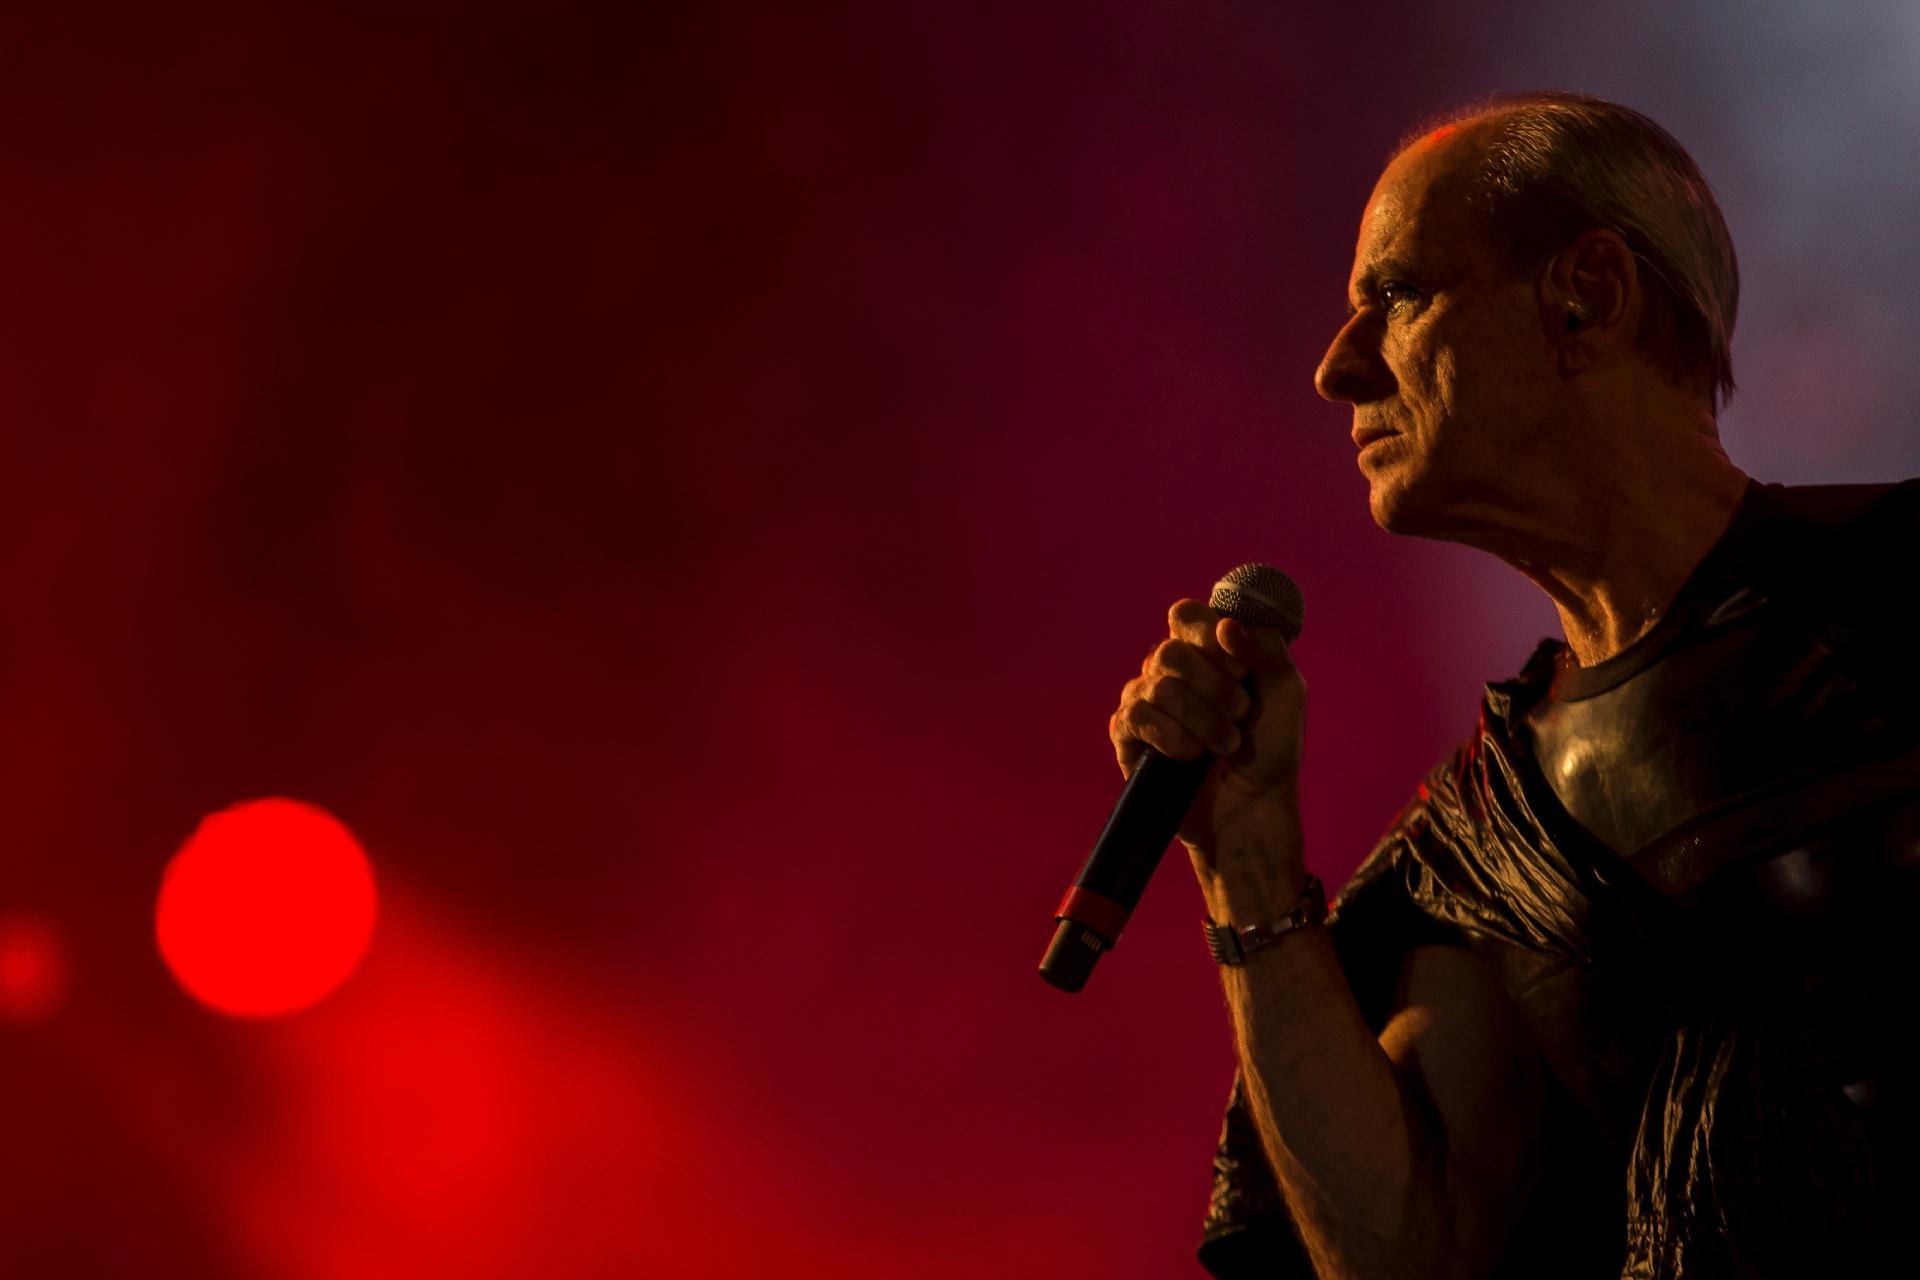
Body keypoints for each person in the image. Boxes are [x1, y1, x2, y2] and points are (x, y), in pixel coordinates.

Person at [1106, 91, 1920, 1278]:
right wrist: (1246, 854)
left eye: (1395, 296)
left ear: (1587, 294)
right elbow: (1409, 1253)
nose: (1337, 368)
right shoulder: (1497, 832)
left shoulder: (1898, 577)